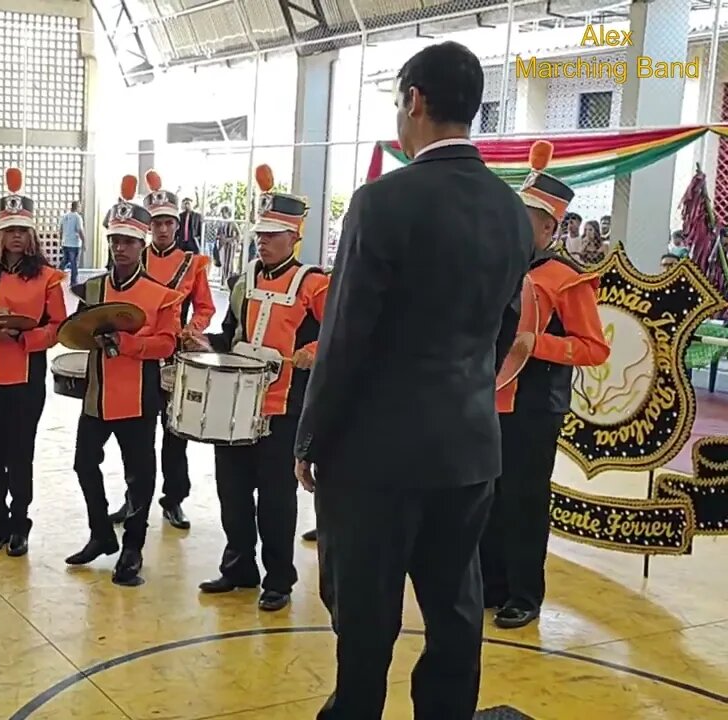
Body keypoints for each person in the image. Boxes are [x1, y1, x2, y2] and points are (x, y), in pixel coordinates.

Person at [293, 41, 531, 719]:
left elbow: (345, 339)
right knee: (455, 609)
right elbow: (500, 329)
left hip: (376, 457)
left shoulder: (381, 203)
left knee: (366, 617)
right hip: (468, 449)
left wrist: (311, 438)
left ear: (415, 100)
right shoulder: (511, 211)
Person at [482, 141, 610, 630]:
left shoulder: (566, 278)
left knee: (524, 501)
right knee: (486, 496)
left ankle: (523, 593)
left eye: (527, 217)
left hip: (535, 406)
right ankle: (489, 584)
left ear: (549, 227)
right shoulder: (498, 267)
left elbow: (594, 348)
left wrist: (538, 345)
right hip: (488, 399)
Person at [191, 164, 327, 612]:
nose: (262, 241)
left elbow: (344, 333)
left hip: (284, 408)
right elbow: (231, 335)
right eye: (260, 234)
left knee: (275, 498)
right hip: (236, 404)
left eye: (272, 234)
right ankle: (239, 567)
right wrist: (205, 341)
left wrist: (313, 349)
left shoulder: (314, 283)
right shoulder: (243, 280)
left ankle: (279, 578)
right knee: (231, 490)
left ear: (294, 237)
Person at [65, 175, 182, 586]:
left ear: (143, 242)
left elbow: (168, 343)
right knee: (83, 464)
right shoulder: (92, 287)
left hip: (139, 398)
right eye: (115, 240)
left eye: (129, 241)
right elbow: (75, 331)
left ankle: (132, 549)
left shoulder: (161, 293)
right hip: (96, 396)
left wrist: (129, 343)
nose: (120, 248)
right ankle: (100, 532)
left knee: (140, 476)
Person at [0, 168, 68, 556]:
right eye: (10, 229)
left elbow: (57, 326)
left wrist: (26, 337)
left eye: (22, 229)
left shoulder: (49, 277)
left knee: (21, 451)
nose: (16, 236)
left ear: (32, 234)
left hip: (27, 375)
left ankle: (20, 523)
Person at [107, 169, 214, 530]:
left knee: (174, 432)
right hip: (135, 359)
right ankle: (133, 500)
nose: (163, 229)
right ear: (147, 226)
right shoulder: (131, 255)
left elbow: (205, 307)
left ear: (177, 223)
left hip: (174, 356)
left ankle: (174, 498)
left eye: (169, 222)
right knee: (136, 435)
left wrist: (191, 329)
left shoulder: (191, 262)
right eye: (157, 223)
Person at [59, 200, 85, 285]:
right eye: (80, 206)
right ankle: (73, 281)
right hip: (74, 243)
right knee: (74, 263)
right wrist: (84, 241)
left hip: (65, 242)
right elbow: (80, 230)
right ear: (77, 207)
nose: (80, 208)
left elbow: (61, 230)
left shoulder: (64, 216)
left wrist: (61, 240)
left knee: (65, 261)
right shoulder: (77, 217)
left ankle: (56, 275)